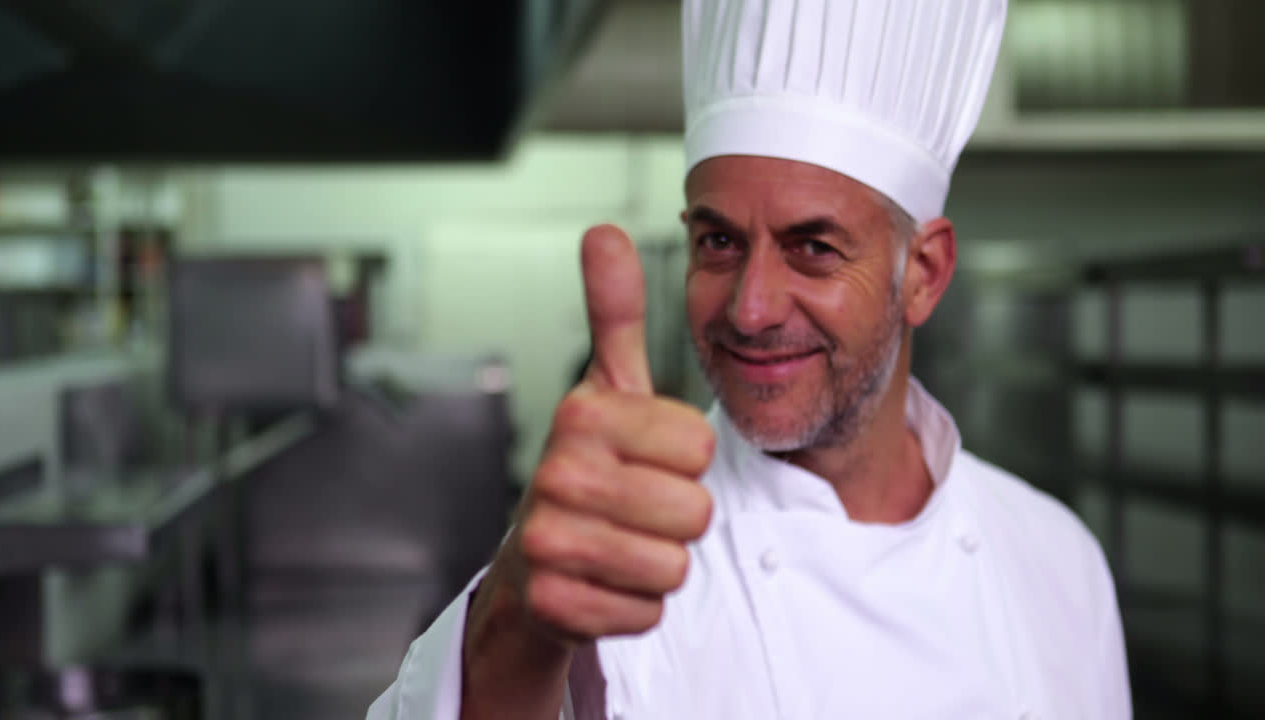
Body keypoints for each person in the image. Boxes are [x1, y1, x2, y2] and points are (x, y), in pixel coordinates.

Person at [368, 0, 1131, 717]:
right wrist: (514, 620)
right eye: (720, 242)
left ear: (924, 274)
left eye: (813, 248)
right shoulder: (619, 558)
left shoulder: (1057, 562)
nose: (750, 308)